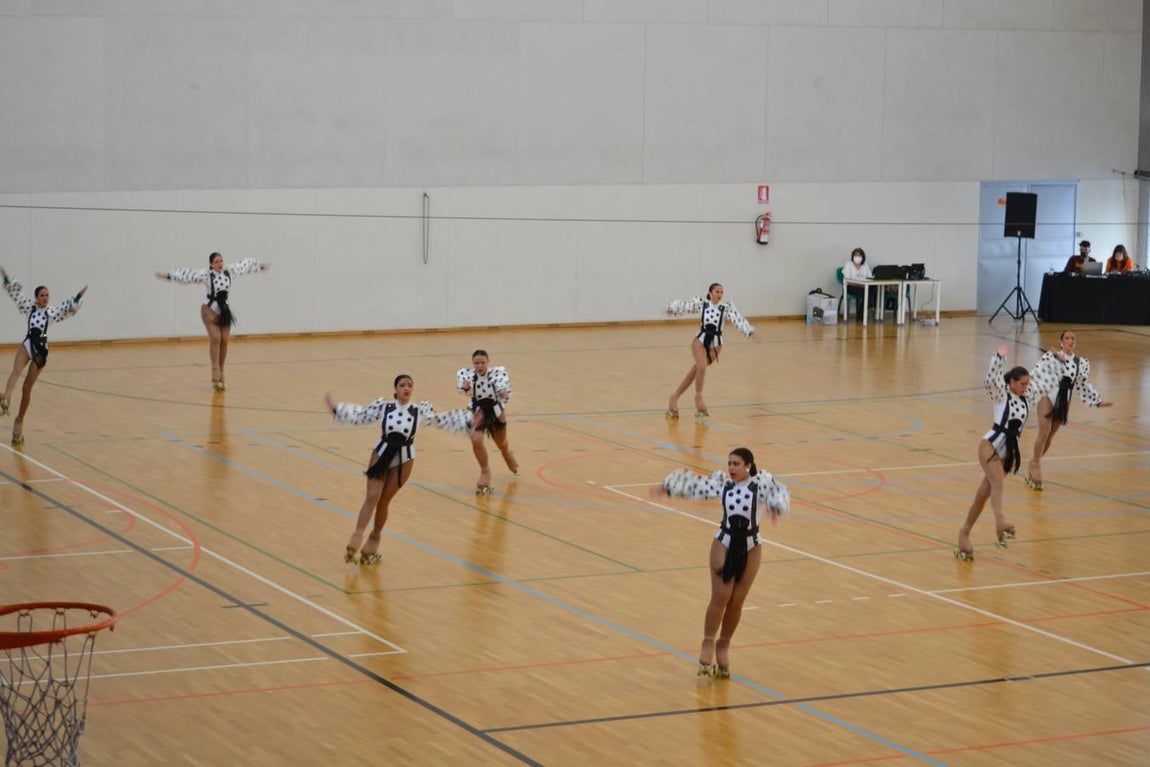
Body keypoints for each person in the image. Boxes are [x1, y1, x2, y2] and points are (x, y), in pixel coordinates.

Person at [658, 447, 789, 678]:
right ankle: (708, 642)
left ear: (748, 465)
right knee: (721, 595)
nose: (731, 468)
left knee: (737, 601)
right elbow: (697, 485)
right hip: (725, 542)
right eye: (729, 463)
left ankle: (724, 644)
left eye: (736, 464)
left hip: (751, 546)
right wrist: (670, 487)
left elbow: (778, 491)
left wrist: (775, 506)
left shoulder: (760, 485)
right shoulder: (724, 485)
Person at [325, 375, 440, 564]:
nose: (406, 388)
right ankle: (357, 534)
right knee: (372, 497)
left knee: (384, 502)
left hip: (404, 459)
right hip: (381, 454)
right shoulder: (384, 406)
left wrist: (470, 421)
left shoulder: (420, 410)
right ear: (395, 389)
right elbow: (361, 415)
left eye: (409, 385)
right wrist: (337, 409)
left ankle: (375, 537)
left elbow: (440, 420)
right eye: (402, 385)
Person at [956, 345, 1030, 561]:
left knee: (982, 495)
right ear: (1012, 382)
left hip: (1008, 454)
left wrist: (1059, 361)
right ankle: (1000, 522)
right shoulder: (1001, 394)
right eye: (1022, 384)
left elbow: (1046, 381)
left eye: (1027, 384)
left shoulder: (1027, 397)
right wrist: (999, 358)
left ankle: (964, 532)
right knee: (998, 482)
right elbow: (990, 379)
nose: (1026, 387)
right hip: (990, 446)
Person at [156, 252, 270, 391]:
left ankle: (221, 371)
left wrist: (259, 265)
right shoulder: (206, 275)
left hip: (224, 311)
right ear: (211, 264)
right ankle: (215, 372)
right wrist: (169, 275)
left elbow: (244, 265)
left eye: (221, 260)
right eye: (216, 262)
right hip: (209, 310)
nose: (220, 264)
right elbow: (188, 275)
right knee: (216, 337)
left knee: (225, 340)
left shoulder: (229, 271)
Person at [1, 267, 88, 446]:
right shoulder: (29, 307)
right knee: (15, 372)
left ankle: (19, 422)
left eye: (47, 295)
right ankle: (6, 398)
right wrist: (6, 277)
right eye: (42, 295)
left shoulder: (52, 312)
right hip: (28, 343)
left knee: (27, 388)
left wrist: (77, 298)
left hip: (41, 349)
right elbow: (17, 296)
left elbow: (67, 308)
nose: (45, 298)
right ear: (36, 297)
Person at [1024, 331, 1112, 491]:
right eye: (1067, 338)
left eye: (1073, 338)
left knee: (1050, 434)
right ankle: (1036, 464)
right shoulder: (1051, 356)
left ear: (1075, 343)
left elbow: (1084, 384)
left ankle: (1034, 461)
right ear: (1061, 342)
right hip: (1047, 394)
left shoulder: (1080, 363)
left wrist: (1098, 401)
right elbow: (1037, 372)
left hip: (1065, 399)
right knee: (1043, 432)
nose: (1070, 340)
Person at [665, 283, 758, 419]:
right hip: (700, 341)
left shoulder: (726, 308)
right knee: (702, 367)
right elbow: (686, 305)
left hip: (716, 345)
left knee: (696, 370)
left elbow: (738, 320)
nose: (720, 295)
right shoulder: (702, 304)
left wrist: (750, 332)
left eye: (721, 292)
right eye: (717, 292)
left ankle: (674, 397)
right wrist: (672, 309)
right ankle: (698, 397)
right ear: (710, 293)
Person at [437, 350, 519, 495]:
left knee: (501, 442)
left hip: (495, 409)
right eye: (476, 363)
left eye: (482, 362)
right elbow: (465, 391)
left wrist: (502, 392)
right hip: (478, 409)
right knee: (476, 439)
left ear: (488, 362)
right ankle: (485, 471)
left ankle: (506, 453)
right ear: (473, 364)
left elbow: (502, 386)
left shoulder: (497, 374)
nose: (480, 366)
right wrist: (466, 387)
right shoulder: (467, 375)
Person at [841, 247, 877, 322]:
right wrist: (860, 284)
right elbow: (847, 279)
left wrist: (865, 284)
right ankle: (868, 307)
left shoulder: (865, 265)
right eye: (855, 255)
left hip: (863, 286)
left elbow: (870, 277)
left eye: (859, 255)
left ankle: (862, 312)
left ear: (862, 257)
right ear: (852, 256)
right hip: (850, 286)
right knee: (866, 293)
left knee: (873, 288)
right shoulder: (849, 264)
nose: (857, 257)